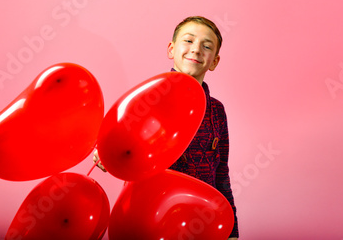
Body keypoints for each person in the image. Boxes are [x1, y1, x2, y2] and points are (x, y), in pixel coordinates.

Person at [94, 16, 239, 239]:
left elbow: (221, 173)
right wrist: (106, 152)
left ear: (214, 61)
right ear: (171, 49)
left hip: (198, 221)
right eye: (188, 41)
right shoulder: (147, 100)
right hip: (147, 215)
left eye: (206, 46)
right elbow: (121, 145)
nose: (196, 50)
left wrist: (232, 231)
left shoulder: (217, 111)